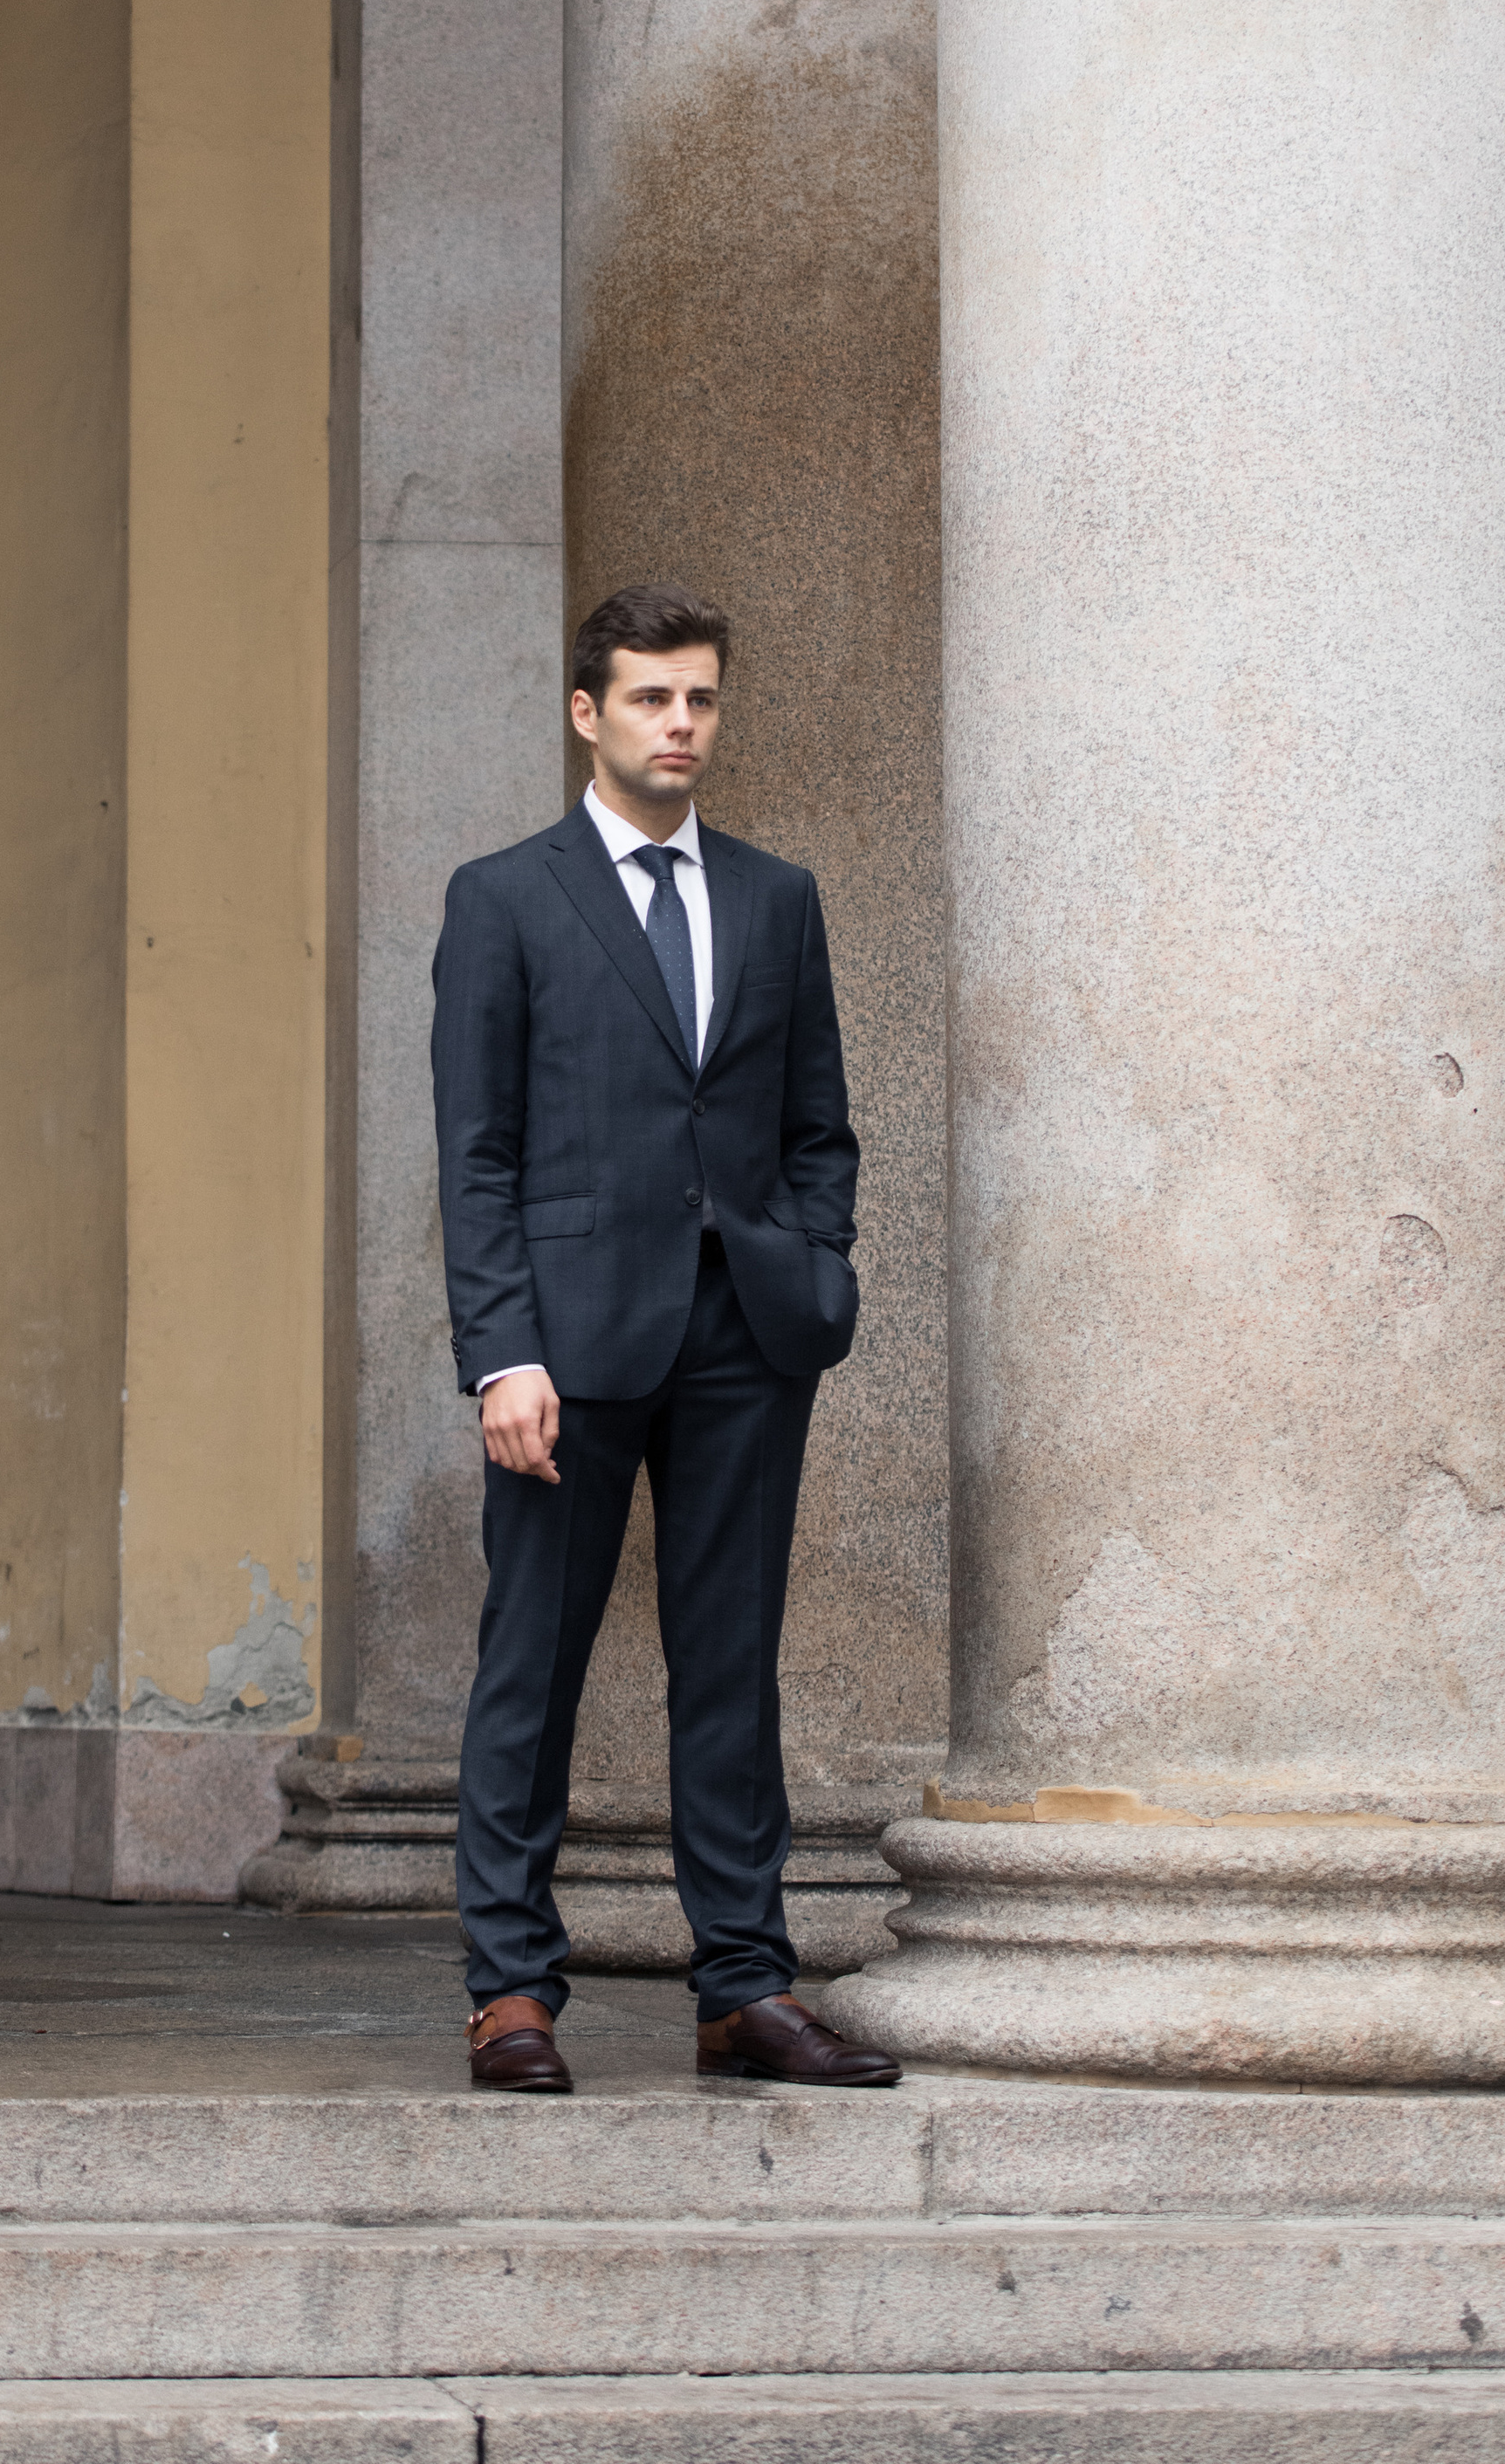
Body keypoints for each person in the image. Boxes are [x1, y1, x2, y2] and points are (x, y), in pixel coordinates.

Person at [431, 582, 901, 2094]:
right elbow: (477, 1151)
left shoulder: (775, 898)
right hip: (565, 1352)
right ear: (590, 712)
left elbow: (816, 1121)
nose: (679, 723)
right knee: (532, 1669)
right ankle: (510, 1992)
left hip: (743, 1337)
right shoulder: (505, 897)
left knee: (730, 1668)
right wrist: (502, 1353)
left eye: (699, 697)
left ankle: (742, 1988)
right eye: (650, 698)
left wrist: (814, 1271)